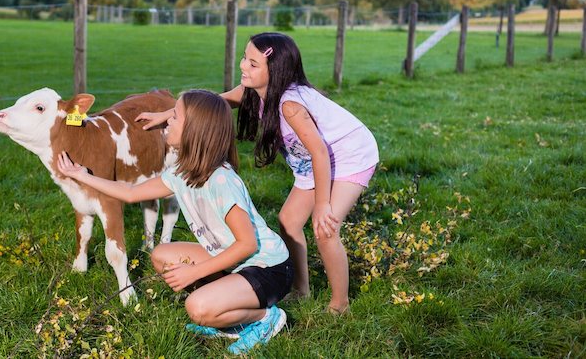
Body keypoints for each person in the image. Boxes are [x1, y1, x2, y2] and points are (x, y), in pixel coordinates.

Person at [138, 33, 379, 314]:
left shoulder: (290, 106)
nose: (243, 66)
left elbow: (320, 153)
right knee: (288, 220)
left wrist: (323, 205)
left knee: (324, 228)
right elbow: (209, 105)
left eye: (253, 64)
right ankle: (301, 290)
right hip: (315, 159)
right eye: (244, 58)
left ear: (273, 73)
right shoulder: (254, 91)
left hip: (349, 155)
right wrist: (166, 115)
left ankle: (340, 305)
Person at [57, 89, 293, 354]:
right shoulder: (181, 172)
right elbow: (132, 193)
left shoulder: (221, 181)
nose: (167, 121)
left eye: (175, 117)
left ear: (195, 131)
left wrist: (195, 272)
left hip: (267, 268)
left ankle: (264, 318)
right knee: (161, 256)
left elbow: (247, 245)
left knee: (197, 308)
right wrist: (82, 175)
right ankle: (228, 315)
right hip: (234, 261)